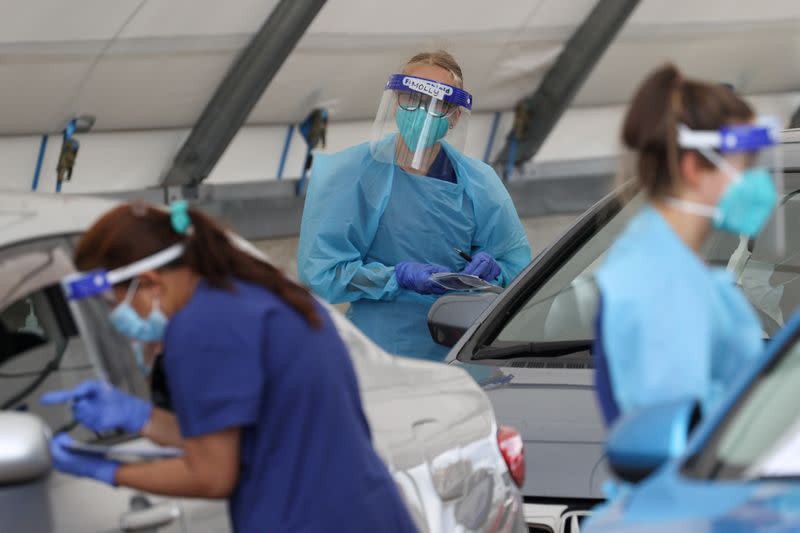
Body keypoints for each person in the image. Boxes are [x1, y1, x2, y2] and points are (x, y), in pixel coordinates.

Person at [40, 202, 418, 533]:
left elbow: (212, 474)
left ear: (149, 283)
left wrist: (103, 470)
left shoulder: (201, 327)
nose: (116, 316)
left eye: (114, 303)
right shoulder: (257, 295)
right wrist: (141, 418)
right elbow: (247, 437)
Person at [298, 51, 531, 361]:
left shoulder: (479, 183)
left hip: (458, 349)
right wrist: (396, 277)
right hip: (378, 353)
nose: (422, 111)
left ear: (455, 116)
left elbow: (517, 268)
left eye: (437, 105)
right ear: (397, 102)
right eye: (413, 98)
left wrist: (495, 271)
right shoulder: (351, 174)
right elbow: (321, 272)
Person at [593, 64, 780, 426]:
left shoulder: (663, 263)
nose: (758, 180)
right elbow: (680, 432)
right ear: (695, 167)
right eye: (747, 163)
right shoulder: (660, 281)